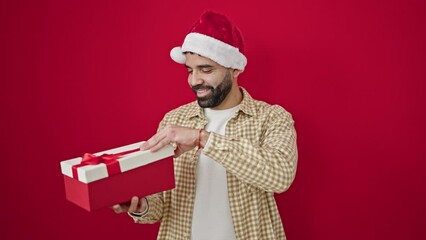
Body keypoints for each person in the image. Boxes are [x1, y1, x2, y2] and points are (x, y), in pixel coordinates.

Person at [112, 10, 298, 240]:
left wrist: (201, 138)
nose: (194, 80)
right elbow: (160, 204)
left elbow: (279, 177)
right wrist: (141, 206)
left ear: (235, 69)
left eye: (206, 69)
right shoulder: (174, 121)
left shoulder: (272, 118)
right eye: (190, 70)